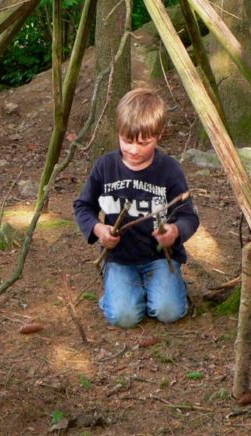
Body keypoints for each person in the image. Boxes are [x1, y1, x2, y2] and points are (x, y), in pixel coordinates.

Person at [74, 88, 199, 328]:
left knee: (169, 312)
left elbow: (188, 217)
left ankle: (161, 288)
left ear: (159, 135)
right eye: (127, 141)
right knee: (124, 317)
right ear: (119, 132)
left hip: (160, 258)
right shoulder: (105, 167)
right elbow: (83, 206)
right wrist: (99, 230)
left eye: (144, 143)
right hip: (120, 258)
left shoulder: (169, 170)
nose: (133, 150)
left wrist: (174, 232)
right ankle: (120, 292)